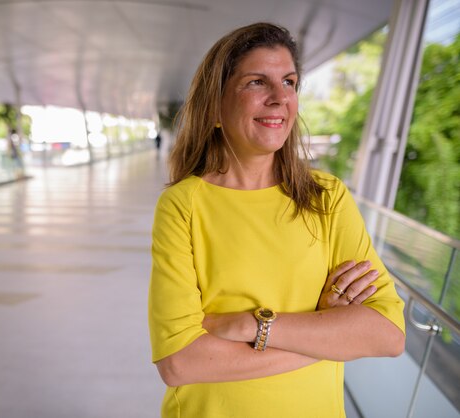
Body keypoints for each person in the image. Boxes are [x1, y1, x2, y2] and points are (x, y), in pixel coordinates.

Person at [148, 22, 405, 418]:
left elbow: (387, 334)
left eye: (289, 82)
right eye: (256, 82)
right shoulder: (183, 206)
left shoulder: (327, 197)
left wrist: (252, 326)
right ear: (215, 106)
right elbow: (180, 363)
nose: (279, 98)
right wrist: (325, 334)